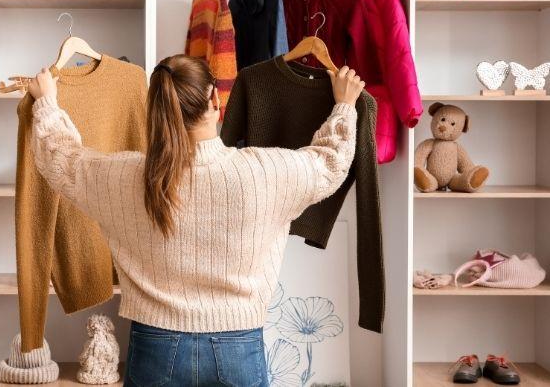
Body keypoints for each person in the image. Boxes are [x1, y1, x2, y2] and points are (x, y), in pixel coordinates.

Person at [28, 54, 364, 386]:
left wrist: (46, 103)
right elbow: (331, 162)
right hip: (238, 348)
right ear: (215, 99)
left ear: (156, 111)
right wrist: (344, 106)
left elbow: (62, 161)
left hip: (154, 348)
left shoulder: (124, 176)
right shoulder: (265, 173)